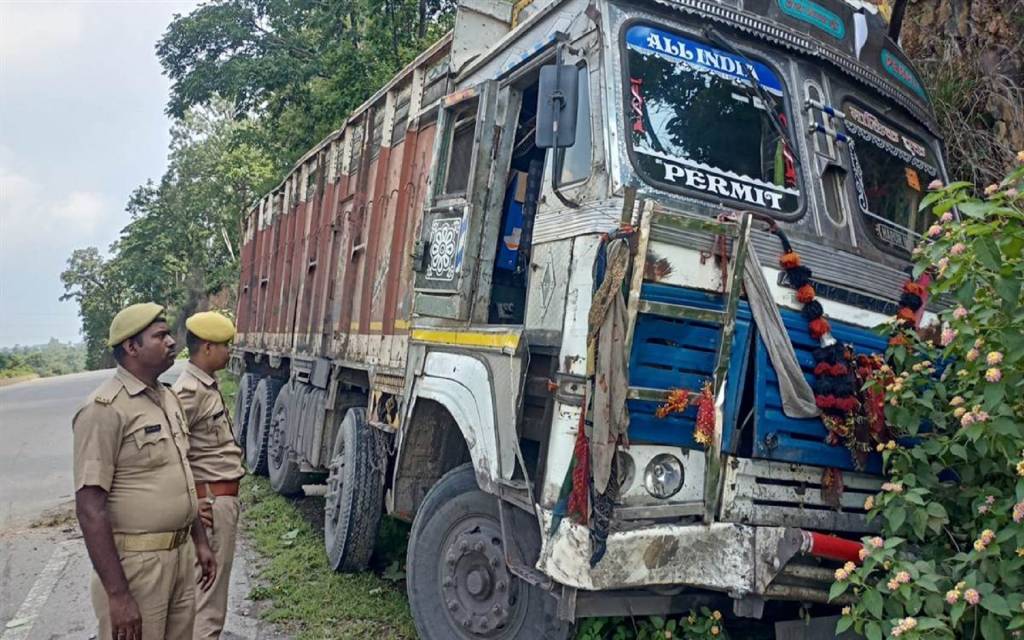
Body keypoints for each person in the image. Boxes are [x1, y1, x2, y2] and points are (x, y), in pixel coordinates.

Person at [73, 303, 217, 640]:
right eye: (160, 336)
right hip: (138, 566)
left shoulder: (168, 398)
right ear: (131, 347)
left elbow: (180, 475)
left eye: (169, 334)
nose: (171, 342)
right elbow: (90, 508)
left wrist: (200, 541)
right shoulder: (103, 410)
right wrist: (119, 595)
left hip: (180, 557)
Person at [171, 311, 246, 640]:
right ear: (206, 348)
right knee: (208, 605)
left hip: (217, 499)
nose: (229, 352)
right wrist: (193, 501)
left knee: (206, 597)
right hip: (211, 503)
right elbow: (171, 454)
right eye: (224, 346)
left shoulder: (205, 386)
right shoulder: (190, 392)